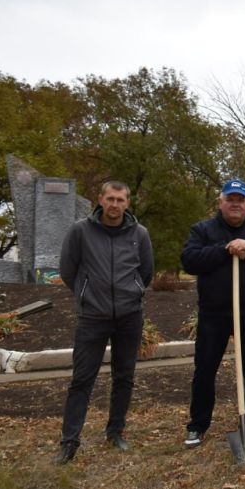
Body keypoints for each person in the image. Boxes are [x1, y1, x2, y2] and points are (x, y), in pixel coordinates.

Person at [54, 181, 154, 465]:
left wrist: (131, 292)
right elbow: (67, 270)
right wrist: (87, 294)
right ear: (100, 199)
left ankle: (115, 431)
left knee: (124, 377)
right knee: (82, 379)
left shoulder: (140, 234)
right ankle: (69, 441)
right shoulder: (80, 231)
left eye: (120, 200)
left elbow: (145, 272)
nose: (115, 204)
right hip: (92, 318)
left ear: (127, 203)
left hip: (129, 317)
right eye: (110, 198)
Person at [180, 179, 245, 448]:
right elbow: (189, 261)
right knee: (204, 370)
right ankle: (198, 425)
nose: (235, 204)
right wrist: (226, 249)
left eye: (241, 200)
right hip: (213, 314)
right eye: (230, 199)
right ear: (220, 202)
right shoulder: (203, 230)